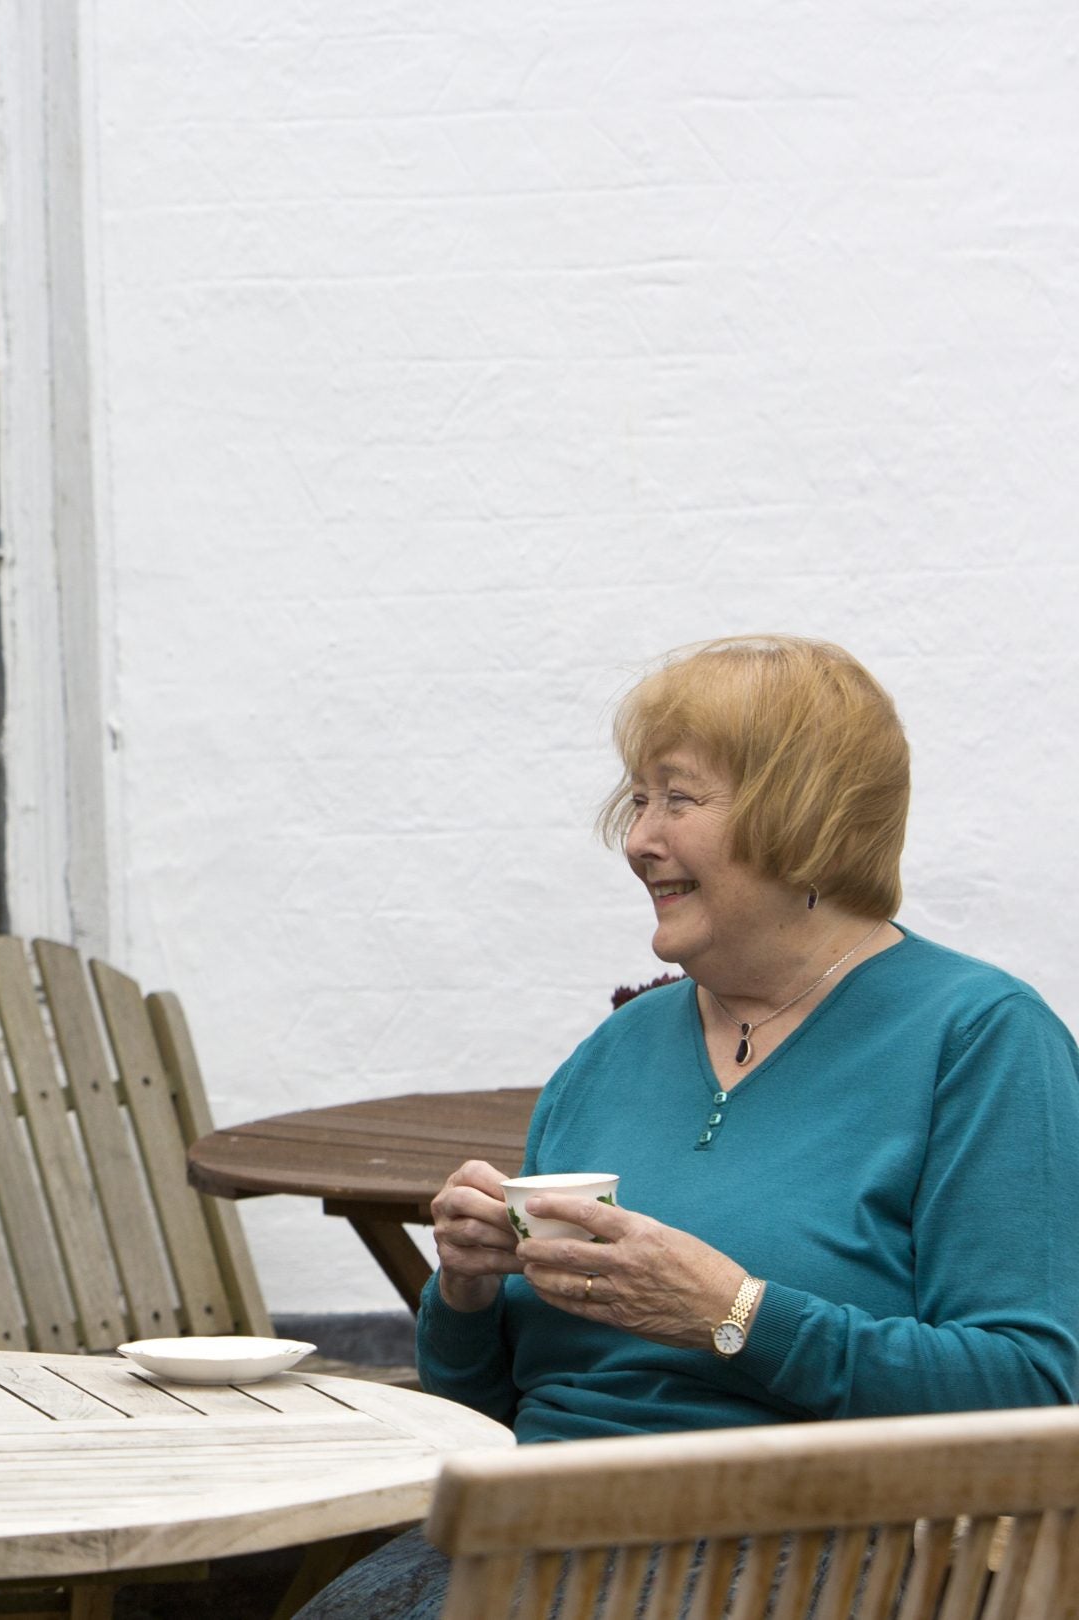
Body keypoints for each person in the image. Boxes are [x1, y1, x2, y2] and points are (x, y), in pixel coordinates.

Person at [303, 635, 1079, 1620]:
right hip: (528, 1531)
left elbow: (1027, 1391)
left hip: (796, 1552)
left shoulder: (978, 1038)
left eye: (677, 799)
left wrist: (736, 1314)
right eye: (638, 801)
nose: (637, 839)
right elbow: (486, 1415)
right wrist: (464, 1293)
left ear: (803, 813)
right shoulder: (617, 1050)